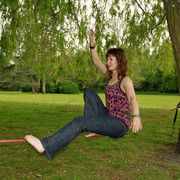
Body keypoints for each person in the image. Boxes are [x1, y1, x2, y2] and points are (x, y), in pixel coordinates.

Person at [24, 29, 142, 160]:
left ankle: (45, 145)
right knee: (89, 93)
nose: (107, 62)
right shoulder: (110, 76)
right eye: (107, 59)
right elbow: (96, 61)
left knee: (80, 122)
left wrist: (136, 116)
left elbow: (132, 98)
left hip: (119, 124)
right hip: (107, 116)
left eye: (111, 59)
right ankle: (95, 128)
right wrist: (92, 44)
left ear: (119, 61)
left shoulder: (125, 80)